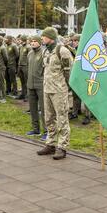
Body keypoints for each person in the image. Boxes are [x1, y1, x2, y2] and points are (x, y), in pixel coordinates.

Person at [36, 27, 72, 160]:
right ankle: (50, 144)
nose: (42, 38)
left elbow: (69, 71)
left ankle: (62, 146)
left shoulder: (62, 51)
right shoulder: (46, 50)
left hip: (59, 90)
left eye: (44, 36)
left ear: (50, 37)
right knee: (49, 118)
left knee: (62, 118)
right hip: (47, 88)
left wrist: (67, 87)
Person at [26, 35, 45, 136]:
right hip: (30, 85)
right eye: (31, 41)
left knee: (44, 109)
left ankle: (46, 131)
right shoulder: (29, 53)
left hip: (41, 85)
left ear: (39, 42)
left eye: (35, 41)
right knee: (33, 109)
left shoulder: (43, 53)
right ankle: (35, 129)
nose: (32, 43)